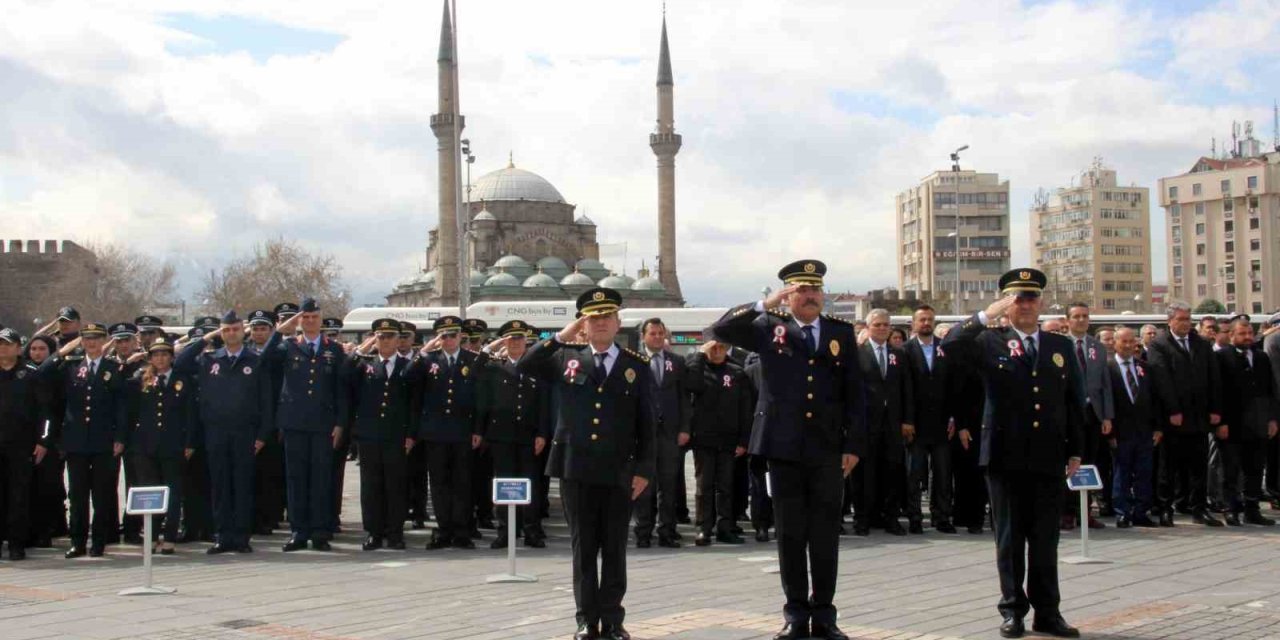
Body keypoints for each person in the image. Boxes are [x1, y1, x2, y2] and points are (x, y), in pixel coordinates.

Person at [709, 260, 865, 640]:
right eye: (801, 290)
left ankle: (824, 615)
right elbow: (719, 330)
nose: (810, 296)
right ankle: (795, 614)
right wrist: (765, 304)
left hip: (827, 448)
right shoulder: (769, 326)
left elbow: (856, 393)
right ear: (788, 294)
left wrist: (853, 445)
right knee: (791, 534)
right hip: (783, 446)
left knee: (825, 535)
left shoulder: (839, 332)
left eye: (815, 289)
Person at [942, 268, 1084, 639]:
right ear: (1007, 303)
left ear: (1041, 302)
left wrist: (1076, 449)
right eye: (1017, 298)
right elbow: (951, 344)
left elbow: (1074, 400)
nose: (1025, 305)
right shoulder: (989, 340)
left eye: (1031, 297)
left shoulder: (1059, 346)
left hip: (1048, 455)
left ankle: (1048, 613)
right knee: (1009, 538)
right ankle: (1012, 610)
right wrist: (985, 315)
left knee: (1045, 540)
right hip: (1004, 455)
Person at [518, 287, 655, 640]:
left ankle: (613, 619)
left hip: (619, 468)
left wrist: (644, 469)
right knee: (583, 548)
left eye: (607, 317)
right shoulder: (567, 357)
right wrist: (561, 336)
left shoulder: (636, 366)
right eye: (593, 318)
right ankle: (586, 620)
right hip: (575, 467)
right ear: (583, 324)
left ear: (618, 322)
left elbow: (647, 423)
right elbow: (526, 363)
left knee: (614, 547)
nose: (601, 323)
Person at [175, 311, 275, 554]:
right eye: (226, 330)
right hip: (215, 432)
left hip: (245, 433)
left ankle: (241, 537)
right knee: (219, 486)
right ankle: (222, 536)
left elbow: (266, 401)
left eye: (235, 329)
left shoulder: (255, 360)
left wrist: (262, 435)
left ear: (243, 331)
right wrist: (205, 338)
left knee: (242, 485)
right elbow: (180, 363)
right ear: (221, 332)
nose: (231, 334)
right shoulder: (209, 359)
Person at [259, 299, 349, 551]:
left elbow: (341, 390)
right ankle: (298, 532)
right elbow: (263, 360)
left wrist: (340, 422)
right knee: (296, 478)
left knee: (321, 478)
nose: (309, 321)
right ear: (298, 320)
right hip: (294, 422)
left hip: (323, 423)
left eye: (314, 317)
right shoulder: (287, 346)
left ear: (320, 320)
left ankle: (320, 532)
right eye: (305, 317)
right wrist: (278, 332)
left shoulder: (334, 350)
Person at [39, 323, 127, 558]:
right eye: (87, 338)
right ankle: (77, 542)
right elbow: (42, 373)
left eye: (96, 338)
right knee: (77, 495)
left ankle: (98, 542)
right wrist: (63, 351)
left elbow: (121, 407)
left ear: (104, 341)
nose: (91, 343)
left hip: (103, 441)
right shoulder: (71, 366)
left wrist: (120, 437)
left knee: (101, 494)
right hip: (76, 440)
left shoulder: (113, 368)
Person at [409, 316, 485, 550]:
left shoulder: (473, 359)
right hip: (436, 432)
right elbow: (408, 377)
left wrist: (478, 429)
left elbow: (481, 399)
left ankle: (461, 531)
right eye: (444, 336)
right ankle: (443, 530)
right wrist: (424, 351)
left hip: (463, 431)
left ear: (461, 336)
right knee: (439, 483)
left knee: (462, 482)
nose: (449, 340)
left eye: (453, 335)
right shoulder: (428, 359)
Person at [1146, 301, 1224, 527]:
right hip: (1173, 418)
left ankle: (1199, 509)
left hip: (1199, 416)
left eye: (1188, 319)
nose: (1185, 323)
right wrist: (1173, 410)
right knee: (1168, 467)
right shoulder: (1160, 344)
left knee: (1198, 466)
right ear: (1170, 321)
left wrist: (1215, 409)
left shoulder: (1201, 343)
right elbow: (1161, 379)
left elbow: (1213, 377)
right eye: (1180, 319)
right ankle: (1165, 509)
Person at [477, 320, 550, 549]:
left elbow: (544, 403)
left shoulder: (536, 366)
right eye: (511, 338)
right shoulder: (494, 367)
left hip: (529, 435)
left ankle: (532, 530)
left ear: (526, 341)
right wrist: (492, 345)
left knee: (531, 484)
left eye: (519, 338)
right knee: (504, 484)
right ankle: (506, 531)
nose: (515, 342)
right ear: (504, 341)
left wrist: (542, 433)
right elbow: (475, 368)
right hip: (502, 435)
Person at [122, 338, 197, 554]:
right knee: (150, 492)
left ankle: (170, 536)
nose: (160, 359)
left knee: (173, 492)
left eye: (164, 354)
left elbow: (190, 414)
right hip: (145, 445)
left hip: (173, 444)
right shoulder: (142, 379)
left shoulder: (182, 380)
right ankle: (152, 536)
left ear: (172, 357)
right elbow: (130, 409)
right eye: (156, 355)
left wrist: (190, 442)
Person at [348, 318, 414, 550]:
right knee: (371, 486)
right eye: (381, 337)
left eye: (390, 337)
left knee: (396, 485)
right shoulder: (364, 365)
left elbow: (415, 404)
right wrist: (363, 348)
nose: (385, 341)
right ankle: (374, 532)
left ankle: (395, 533)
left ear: (398, 339)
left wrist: (411, 434)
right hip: (369, 435)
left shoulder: (409, 366)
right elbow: (345, 374)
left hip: (397, 435)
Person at [683, 338, 751, 546]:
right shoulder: (698, 369)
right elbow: (691, 385)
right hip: (704, 438)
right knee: (704, 486)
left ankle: (725, 527)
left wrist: (743, 440)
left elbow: (745, 408)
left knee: (726, 486)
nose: (717, 351)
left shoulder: (737, 372)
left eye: (721, 347)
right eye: (713, 348)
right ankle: (703, 528)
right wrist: (700, 355)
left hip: (729, 439)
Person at [852, 308, 913, 537]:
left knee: (892, 472)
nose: (882, 328)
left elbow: (907, 389)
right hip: (866, 424)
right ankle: (862, 519)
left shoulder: (899, 354)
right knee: (864, 474)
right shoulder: (857, 354)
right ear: (868, 327)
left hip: (892, 425)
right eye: (877, 325)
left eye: (886, 325)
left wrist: (907, 420)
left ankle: (891, 518)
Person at [1214, 316, 1278, 526]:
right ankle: (1230, 509)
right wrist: (1220, 422)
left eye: (1250, 333)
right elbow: (1217, 391)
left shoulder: (1261, 357)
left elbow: (1269, 390)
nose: (1248, 337)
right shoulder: (1222, 357)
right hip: (1231, 424)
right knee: (1230, 470)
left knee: (1255, 468)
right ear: (1231, 335)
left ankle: (1252, 509)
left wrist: (1272, 419)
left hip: (1257, 423)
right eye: (1242, 333)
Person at [633, 317, 691, 548]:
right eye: (653, 334)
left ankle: (667, 531)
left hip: (670, 433)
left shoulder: (676, 361)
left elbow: (684, 397)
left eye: (660, 333)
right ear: (643, 337)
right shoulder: (634, 360)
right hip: (643, 434)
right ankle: (643, 532)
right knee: (644, 485)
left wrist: (685, 428)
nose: (657, 337)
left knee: (668, 486)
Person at [903, 304, 957, 534]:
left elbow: (953, 386)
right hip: (915, 424)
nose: (926, 323)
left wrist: (954, 417)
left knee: (943, 474)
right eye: (922, 319)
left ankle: (941, 516)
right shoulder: (904, 351)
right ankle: (915, 517)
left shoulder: (945, 348)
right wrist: (906, 420)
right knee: (914, 474)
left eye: (929, 320)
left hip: (942, 422)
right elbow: (903, 389)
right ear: (913, 323)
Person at [0, 328, 52, 561]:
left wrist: (43, 440)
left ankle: (16, 543)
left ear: (18, 348)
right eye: (0, 344)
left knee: (19, 496)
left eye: (8, 344)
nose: (3, 348)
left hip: (22, 446)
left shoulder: (31, 375)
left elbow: (46, 413)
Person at [1062, 303, 1114, 530]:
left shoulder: (1097, 347)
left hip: (1093, 413)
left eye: (1085, 316)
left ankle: (1085, 512)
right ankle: (1066, 512)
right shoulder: (1060, 345)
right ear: (1067, 320)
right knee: (1068, 462)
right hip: (1068, 413)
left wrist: (1107, 416)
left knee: (1090, 462)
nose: (1081, 320)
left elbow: (1105, 383)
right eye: (1076, 316)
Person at [1107, 328, 1161, 528]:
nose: (1129, 345)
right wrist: (1110, 433)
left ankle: (1141, 511)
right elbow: (1106, 402)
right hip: (1120, 431)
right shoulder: (1108, 368)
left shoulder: (1145, 368)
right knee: (1121, 473)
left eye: (1132, 342)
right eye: (1124, 341)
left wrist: (1158, 428)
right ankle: (1122, 512)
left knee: (1144, 473)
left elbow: (1155, 399)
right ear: (1115, 343)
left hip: (1144, 431)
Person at [245, 309, 285, 536]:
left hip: (272, 416)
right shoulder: (244, 352)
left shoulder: (280, 351)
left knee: (269, 473)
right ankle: (250, 517)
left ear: (271, 331)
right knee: (248, 473)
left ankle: (268, 517)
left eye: (263, 329)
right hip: (248, 418)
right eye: (255, 328)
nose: (259, 333)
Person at [23, 334, 65, 548]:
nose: (37, 353)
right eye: (33, 349)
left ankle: (47, 530)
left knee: (48, 488)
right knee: (27, 488)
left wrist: (47, 440)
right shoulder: (23, 373)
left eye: (42, 349)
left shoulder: (58, 372)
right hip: (24, 439)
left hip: (50, 439)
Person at [462, 318, 496, 537]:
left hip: (485, 427)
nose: (472, 345)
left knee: (484, 476)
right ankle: (468, 520)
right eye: (468, 341)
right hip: (463, 428)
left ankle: (484, 513)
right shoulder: (462, 362)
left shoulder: (490, 362)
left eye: (476, 341)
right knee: (465, 478)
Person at [398, 321, 430, 529]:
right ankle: (400, 511)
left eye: (406, 336)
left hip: (418, 421)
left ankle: (419, 511)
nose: (402, 340)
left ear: (413, 338)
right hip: (395, 423)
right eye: (399, 336)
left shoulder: (424, 360)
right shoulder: (385, 358)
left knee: (418, 471)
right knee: (398, 472)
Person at [1263, 312, 1280, 509]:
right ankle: (1275, 492)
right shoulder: (1274, 339)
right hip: (1276, 404)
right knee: (1275, 452)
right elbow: (1276, 377)